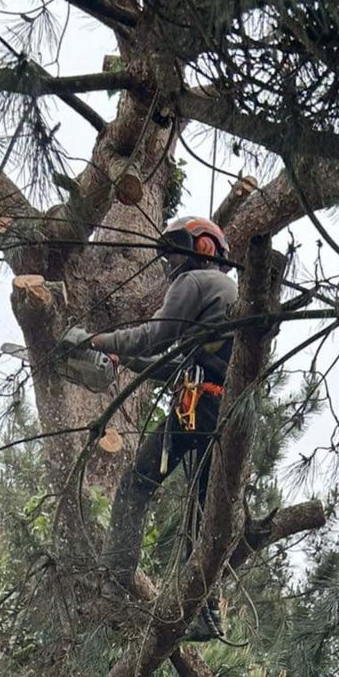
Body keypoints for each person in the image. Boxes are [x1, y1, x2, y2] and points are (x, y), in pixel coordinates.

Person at [92, 216, 238, 640]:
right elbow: (174, 363)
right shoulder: (226, 291)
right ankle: (207, 611)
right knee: (203, 510)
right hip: (220, 408)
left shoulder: (195, 281)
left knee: (136, 485)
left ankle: (114, 582)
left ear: (203, 247)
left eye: (176, 249)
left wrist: (102, 342)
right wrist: (127, 361)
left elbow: (156, 337)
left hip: (199, 406)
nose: (171, 262)